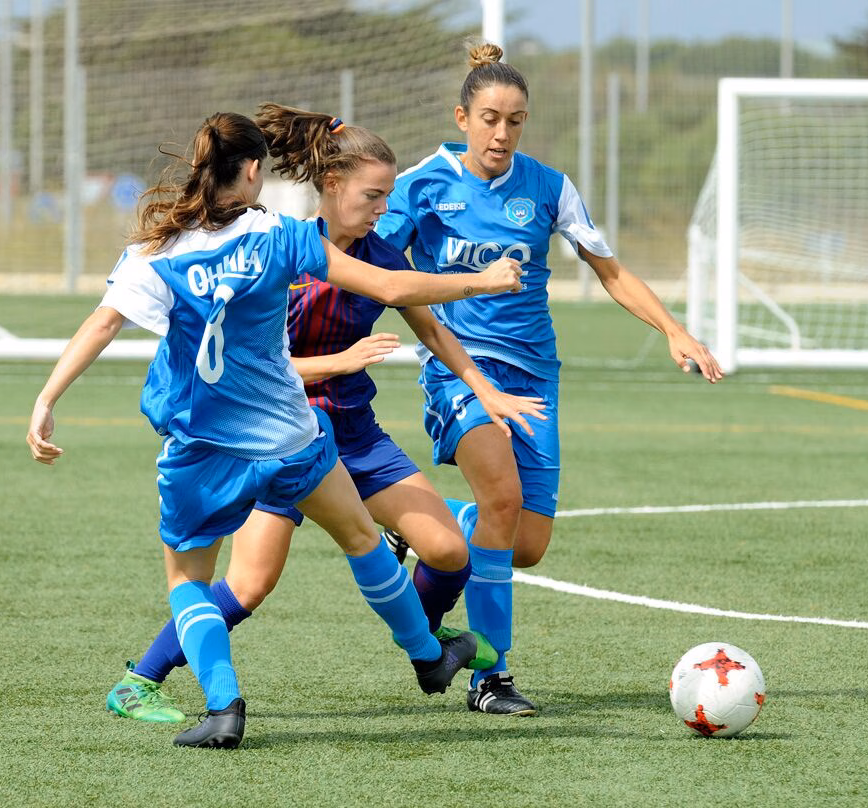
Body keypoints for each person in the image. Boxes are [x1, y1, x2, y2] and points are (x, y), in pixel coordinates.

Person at [26, 111, 528, 749]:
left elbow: (101, 326)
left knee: (190, 580)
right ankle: (427, 654)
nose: (381, 207)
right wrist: (481, 279)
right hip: (293, 436)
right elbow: (392, 286)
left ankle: (224, 705)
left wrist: (46, 398)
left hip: (207, 447)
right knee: (352, 544)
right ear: (256, 172)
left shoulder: (153, 254)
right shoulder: (279, 236)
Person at [374, 43, 723, 716]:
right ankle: (491, 677)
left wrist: (676, 331)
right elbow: (383, 270)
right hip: (461, 371)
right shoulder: (423, 184)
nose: (501, 133)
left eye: (515, 120)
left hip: (534, 375)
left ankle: (427, 526)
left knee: (525, 544)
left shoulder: (549, 187)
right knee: (501, 497)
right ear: (462, 116)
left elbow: (611, 271)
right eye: (489, 118)